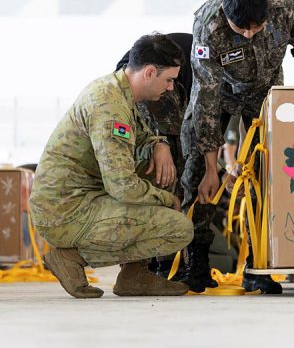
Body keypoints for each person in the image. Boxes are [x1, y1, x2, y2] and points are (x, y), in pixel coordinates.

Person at [180, 0, 294, 293]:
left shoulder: (283, 5)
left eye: (255, 28)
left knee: (265, 176)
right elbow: (205, 98)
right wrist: (210, 168)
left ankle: (258, 266)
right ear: (227, 15)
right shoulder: (209, 23)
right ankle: (197, 265)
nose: (248, 34)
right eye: (241, 28)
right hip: (220, 96)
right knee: (196, 177)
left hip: (265, 96)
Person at [29, 33, 194, 298]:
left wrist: (159, 143)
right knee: (179, 229)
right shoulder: (110, 107)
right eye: (169, 80)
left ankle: (134, 276)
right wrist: (165, 199)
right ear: (150, 72)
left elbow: (140, 139)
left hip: (83, 196)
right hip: (65, 211)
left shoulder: (119, 91)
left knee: (158, 168)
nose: (172, 88)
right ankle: (72, 257)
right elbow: (122, 186)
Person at [117, 33, 193, 276]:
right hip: (154, 87)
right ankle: (148, 267)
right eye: (168, 82)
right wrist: (160, 143)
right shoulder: (156, 83)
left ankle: (164, 264)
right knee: (163, 174)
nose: (170, 85)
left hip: (163, 80)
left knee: (176, 177)